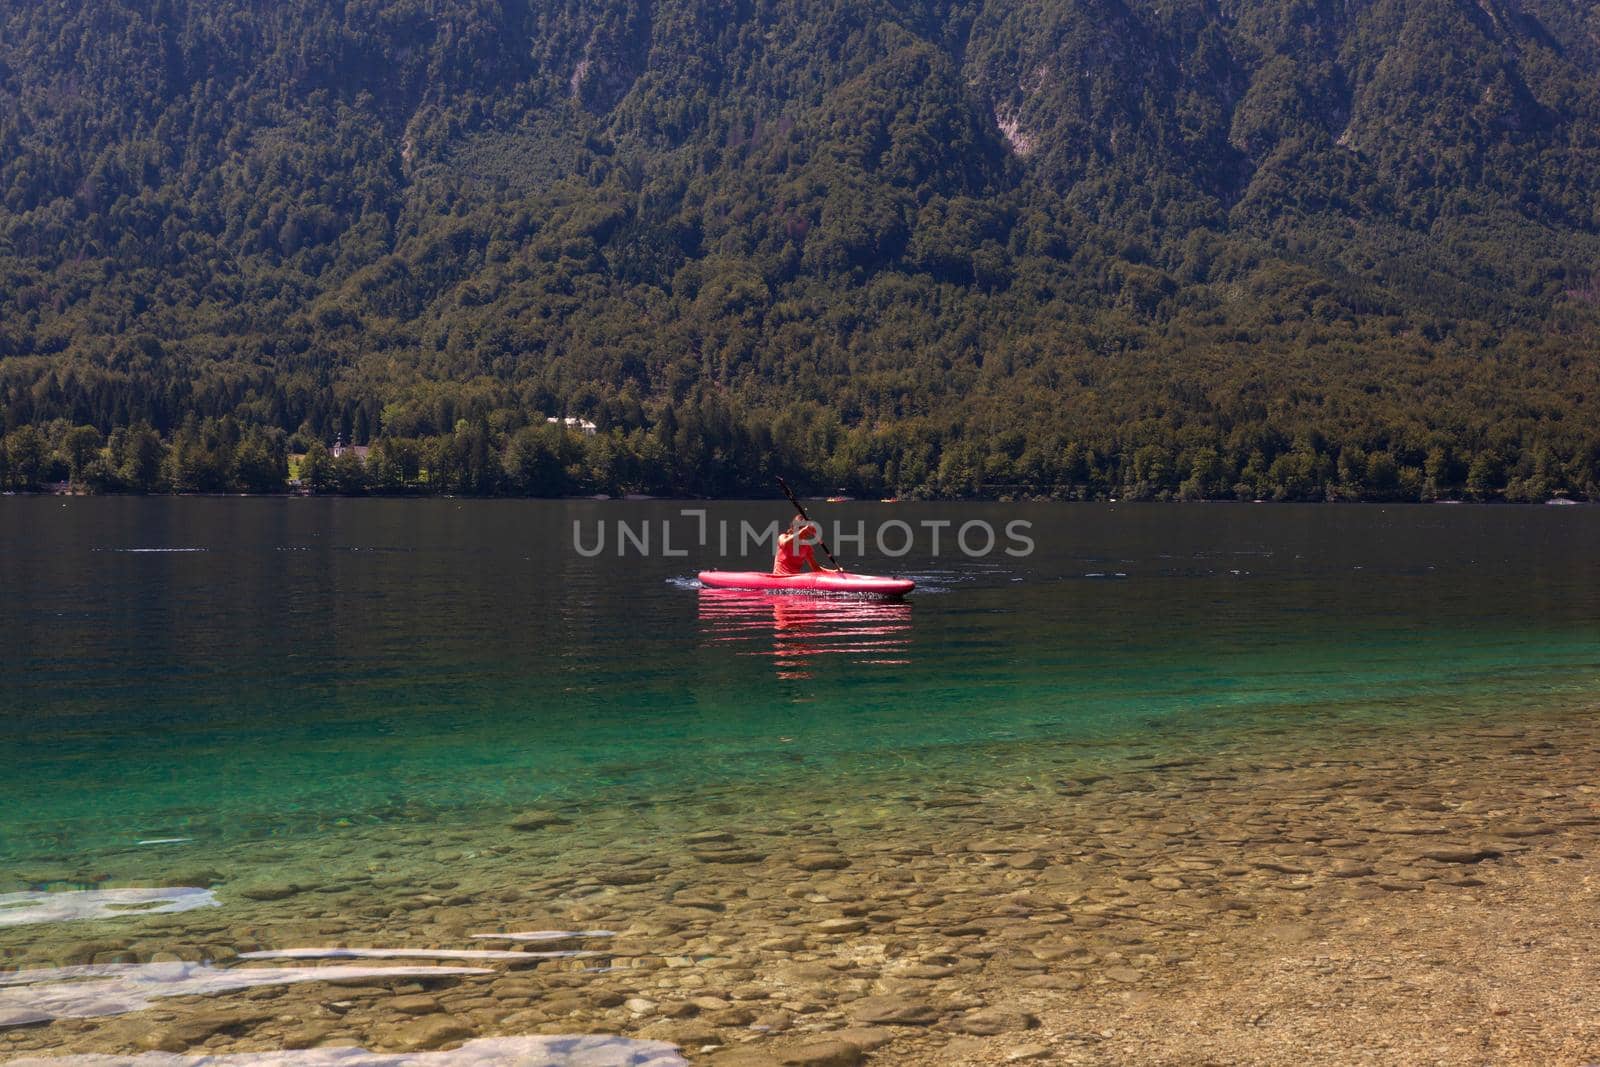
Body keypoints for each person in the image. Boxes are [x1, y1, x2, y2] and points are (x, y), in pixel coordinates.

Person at [773, 513, 839, 575]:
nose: (803, 533)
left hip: (794, 580)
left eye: (805, 531)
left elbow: (816, 568)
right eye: (799, 528)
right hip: (779, 577)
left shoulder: (806, 546)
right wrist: (803, 530)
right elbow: (785, 543)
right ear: (792, 528)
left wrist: (834, 572)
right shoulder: (782, 537)